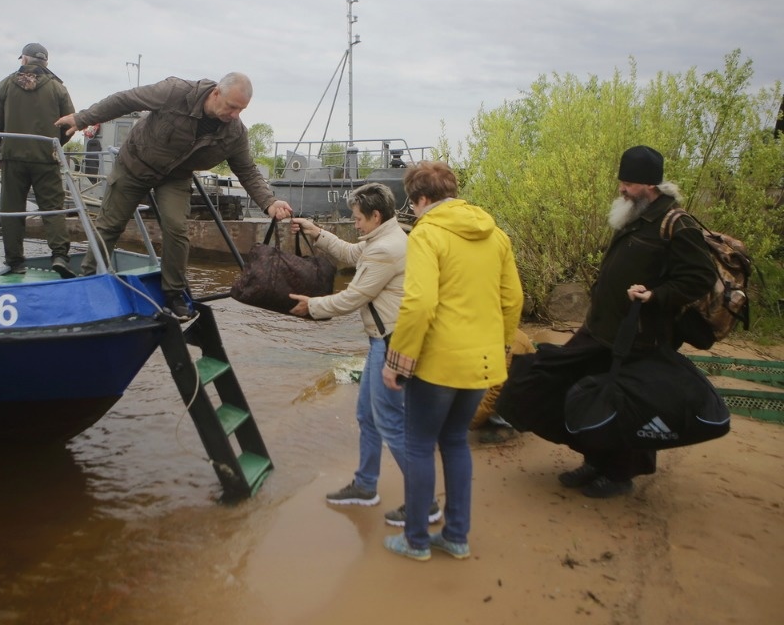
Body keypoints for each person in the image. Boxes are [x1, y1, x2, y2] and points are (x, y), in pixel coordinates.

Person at [496, 145, 717, 499]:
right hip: (601, 330)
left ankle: (619, 474)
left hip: (639, 337)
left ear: (650, 185)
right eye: (622, 181)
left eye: (629, 183)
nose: (622, 189)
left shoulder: (676, 223)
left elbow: (699, 276)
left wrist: (656, 295)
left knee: (626, 406)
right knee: (558, 382)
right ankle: (595, 459)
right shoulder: (635, 214)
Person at [55, 73, 293, 319]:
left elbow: (247, 170)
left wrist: (270, 202)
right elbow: (126, 100)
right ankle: (88, 278)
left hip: (175, 175)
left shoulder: (235, 133)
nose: (235, 115)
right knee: (110, 225)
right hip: (135, 164)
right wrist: (83, 118)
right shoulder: (175, 92)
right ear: (215, 94)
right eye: (232, 107)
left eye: (241, 110)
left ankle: (174, 293)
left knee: (177, 228)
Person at [381, 161, 523, 561]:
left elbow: (420, 301)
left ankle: (416, 541)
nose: (415, 211)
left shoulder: (427, 233)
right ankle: (457, 536)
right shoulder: (495, 235)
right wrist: (503, 347)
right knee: (456, 442)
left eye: (414, 204)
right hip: (482, 362)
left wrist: (397, 361)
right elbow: (513, 300)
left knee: (420, 445)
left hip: (438, 365)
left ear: (422, 199)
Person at [289, 183, 441, 527]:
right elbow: (351, 253)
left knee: (388, 420)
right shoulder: (385, 238)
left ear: (375, 215)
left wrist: (311, 306)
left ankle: (426, 503)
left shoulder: (386, 249)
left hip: (389, 342)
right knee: (368, 416)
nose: (354, 224)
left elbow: (352, 298)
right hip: (383, 340)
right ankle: (366, 484)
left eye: (357, 218)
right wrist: (317, 233)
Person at [0, 42, 76, 278]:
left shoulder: (5, 85)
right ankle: (59, 256)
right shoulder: (58, 88)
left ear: (24, 60)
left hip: (12, 158)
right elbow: (70, 125)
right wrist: (53, 146)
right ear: (45, 62)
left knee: (12, 210)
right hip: (45, 158)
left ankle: (15, 262)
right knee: (53, 209)